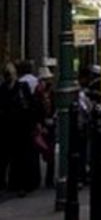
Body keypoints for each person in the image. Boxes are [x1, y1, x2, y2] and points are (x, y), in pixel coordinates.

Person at [9, 60, 42, 196]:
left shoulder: (19, 85)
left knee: (19, 156)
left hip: (18, 127)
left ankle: (18, 183)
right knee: (28, 155)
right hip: (25, 127)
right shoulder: (32, 84)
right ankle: (29, 181)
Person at [35, 65, 56, 188]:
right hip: (41, 125)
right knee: (41, 149)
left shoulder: (51, 93)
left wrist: (53, 118)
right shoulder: (37, 93)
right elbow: (36, 109)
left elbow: (54, 107)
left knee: (51, 152)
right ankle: (39, 178)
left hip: (50, 125)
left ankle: (49, 179)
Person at [0, 62, 18, 191]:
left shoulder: (18, 88)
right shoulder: (4, 89)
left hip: (12, 127)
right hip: (7, 128)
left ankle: (11, 181)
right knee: (6, 157)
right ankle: (6, 181)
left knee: (10, 157)